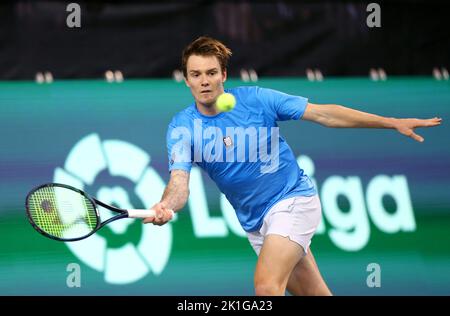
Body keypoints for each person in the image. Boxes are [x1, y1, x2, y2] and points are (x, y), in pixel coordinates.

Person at [143, 36, 442, 296]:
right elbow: (180, 183)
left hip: (293, 201)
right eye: (195, 74)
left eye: (211, 73)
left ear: (224, 74)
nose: (204, 81)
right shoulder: (182, 127)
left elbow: (326, 115)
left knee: (265, 286)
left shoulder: (257, 99)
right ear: (186, 79)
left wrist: (391, 123)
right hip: (256, 223)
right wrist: (165, 205)